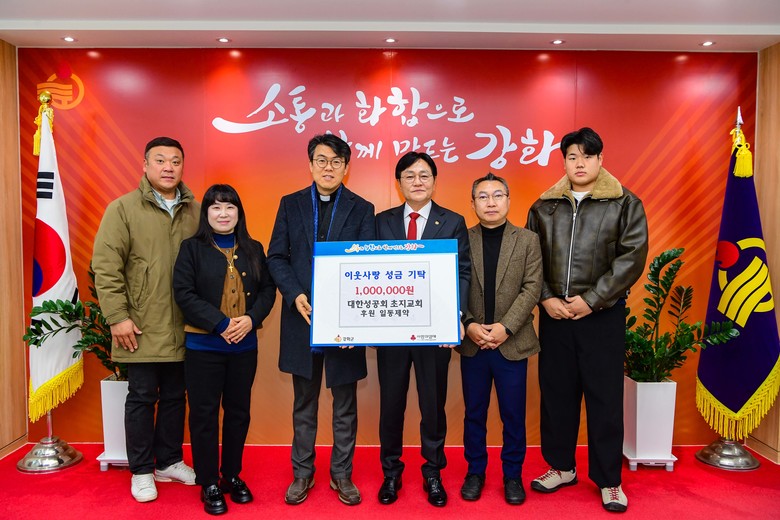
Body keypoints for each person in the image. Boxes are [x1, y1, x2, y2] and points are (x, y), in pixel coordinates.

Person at [526, 127, 648, 513]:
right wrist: (546, 298)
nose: (580, 163)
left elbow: (631, 258)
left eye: (587, 156)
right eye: (572, 156)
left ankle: (609, 480)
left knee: (604, 399)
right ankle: (561, 467)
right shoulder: (544, 207)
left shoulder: (625, 203)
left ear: (600, 159)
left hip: (602, 316)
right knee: (557, 396)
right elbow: (531, 260)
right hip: (556, 316)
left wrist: (592, 300)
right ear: (564, 161)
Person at [267, 134, 375, 506]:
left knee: (345, 403)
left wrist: (351, 314)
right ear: (310, 164)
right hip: (303, 317)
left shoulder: (362, 208)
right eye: (322, 160)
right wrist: (294, 293)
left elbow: (368, 263)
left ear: (346, 167)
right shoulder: (291, 203)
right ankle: (302, 473)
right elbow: (276, 257)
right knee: (304, 403)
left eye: (336, 162)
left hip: (346, 321)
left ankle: (341, 474)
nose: (329, 167)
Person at [93, 136, 199, 502]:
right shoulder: (122, 209)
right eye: (160, 160)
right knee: (141, 396)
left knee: (175, 396)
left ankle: (168, 461)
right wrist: (117, 317)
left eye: (175, 161)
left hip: (186, 324)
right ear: (145, 165)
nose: (168, 167)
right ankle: (140, 470)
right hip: (139, 324)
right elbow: (106, 267)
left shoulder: (195, 211)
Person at [173, 184, 277, 515]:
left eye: (229, 207)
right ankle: (209, 482)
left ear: (238, 213)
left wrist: (251, 319)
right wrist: (220, 324)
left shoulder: (253, 248)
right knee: (204, 415)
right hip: (203, 346)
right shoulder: (191, 249)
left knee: (238, 412)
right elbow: (183, 292)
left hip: (244, 347)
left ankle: (231, 475)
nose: (223, 214)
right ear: (206, 214)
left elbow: (268, 290)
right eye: (216, 207)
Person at [374, 151, 470, 507]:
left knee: (433, 406)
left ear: (434, 181)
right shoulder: (381, 221)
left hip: (434, 333)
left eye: (424, 175)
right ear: (399, 182)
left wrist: (454, 316)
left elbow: (462, 271)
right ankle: (391, 472)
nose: (417, 182)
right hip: (392, 331)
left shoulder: (453, 221)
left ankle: (433, 472)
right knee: (391, 406)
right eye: (410, 176)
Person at [457, 173, 542, 505]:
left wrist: (506, 327)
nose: (490, 202)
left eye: (497, 195)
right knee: (474, 413)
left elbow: (532, 287)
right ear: (473, 203)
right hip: (473, 342)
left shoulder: (528, 240)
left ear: (508, 200)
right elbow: (452, 284)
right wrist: (468, 324)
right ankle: (475, 472)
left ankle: (512, 475)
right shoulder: (462, 239)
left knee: (513, 415)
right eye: (483, 196)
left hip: (512, 343)